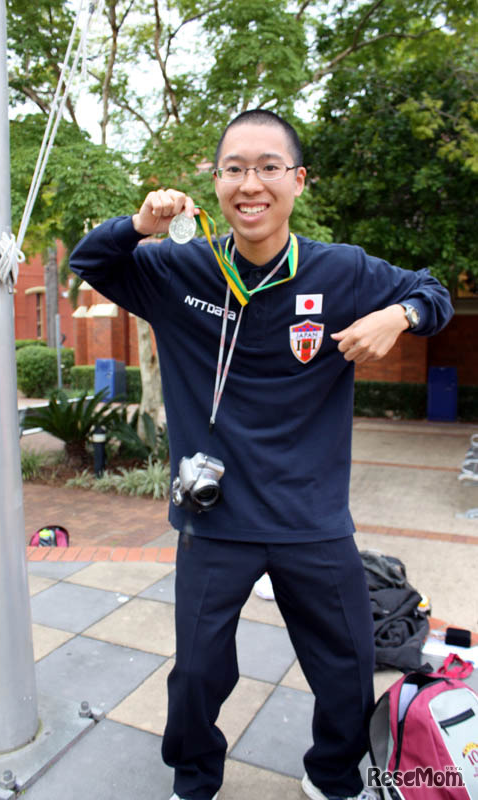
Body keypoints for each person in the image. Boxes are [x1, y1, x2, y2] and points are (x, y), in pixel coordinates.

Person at [69, 109, 453, 800]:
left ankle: (332, 774)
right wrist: (140, 224)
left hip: (311, 515)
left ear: (297, 181)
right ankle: (195, 776)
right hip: (216, 519)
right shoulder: (177, 266)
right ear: (215, 182)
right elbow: (90, 260)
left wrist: (399, 317)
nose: (251, 183)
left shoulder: (341, 270)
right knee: (198, 672)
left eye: (268, 167)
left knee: (345, 663)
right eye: (234, 168)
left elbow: (433, 291)